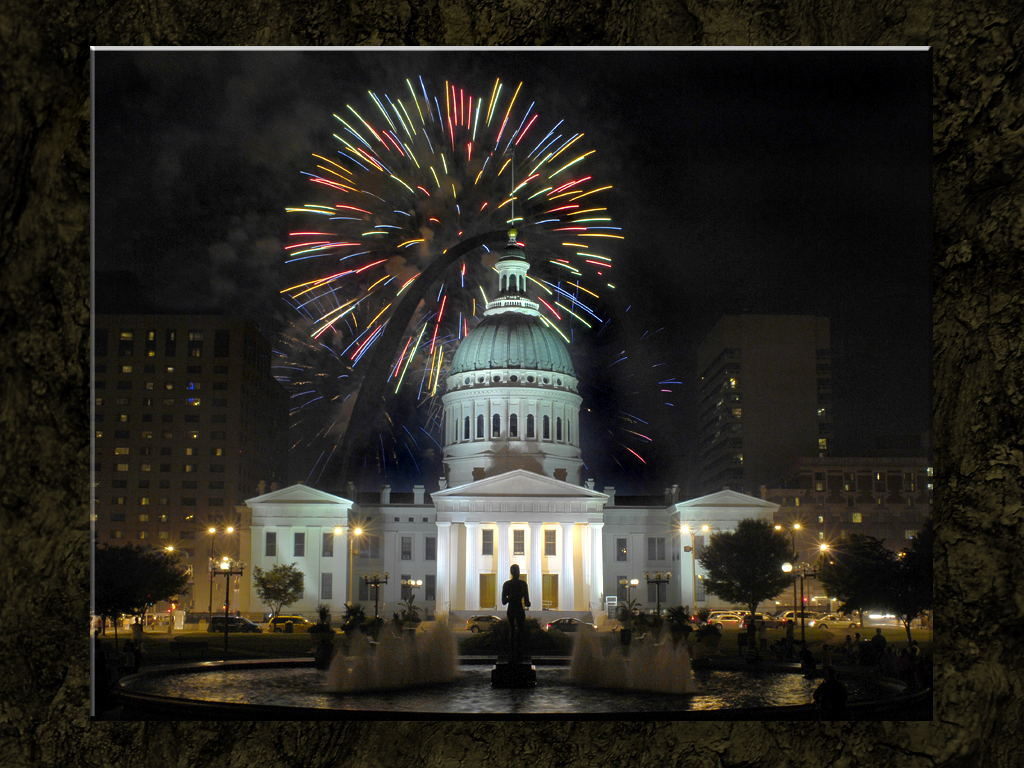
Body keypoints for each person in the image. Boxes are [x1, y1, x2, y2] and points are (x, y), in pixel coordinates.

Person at [500, 564, 531, 663]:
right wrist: (512, 597)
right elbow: (504, 601)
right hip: (514, 609)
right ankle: (514, 653)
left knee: (517, 631)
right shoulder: (512, 584)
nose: (517, 573)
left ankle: (517, 653)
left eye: (516, 570)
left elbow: (526, 601)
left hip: (515, 609)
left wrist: (526, 602)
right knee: (514, 631)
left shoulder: (520, 584)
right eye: (516, 571)